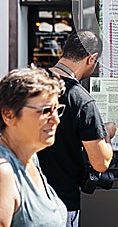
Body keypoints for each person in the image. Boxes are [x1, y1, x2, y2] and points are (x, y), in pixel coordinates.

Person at [38, 29, 116, 227]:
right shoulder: (80, 100)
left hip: (26, 199)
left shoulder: (30, 86)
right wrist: (106, 133)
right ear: (92, 59)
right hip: (62, 204)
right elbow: (100, 162)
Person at [0, 65, 67, 226]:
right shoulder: (4, 171)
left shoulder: (31, 157)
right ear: (9, 115)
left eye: (57, 110)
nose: (55, 120)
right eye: (45, 111)